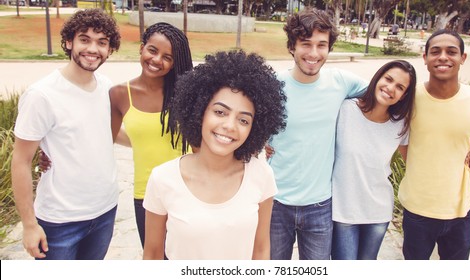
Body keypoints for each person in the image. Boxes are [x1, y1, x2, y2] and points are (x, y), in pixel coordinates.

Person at [142, 50, 287, 260]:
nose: (229, 126)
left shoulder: (261, 174)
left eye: (243, 120)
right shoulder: (163, 179)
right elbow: (153, 255)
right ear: (199, 111)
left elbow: (261, 249)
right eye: (220, 112)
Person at [11, 8, 121, 260]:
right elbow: (21, 161)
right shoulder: (42, 95)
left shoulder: (105, 86)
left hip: (105, 211)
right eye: (85, 39)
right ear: (69, 42)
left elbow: (110, 132)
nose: (93, 49)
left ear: (109, 49)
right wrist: (29, 225)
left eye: (102, 42)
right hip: (60, 221)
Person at [266, 8, 368, 260]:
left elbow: (384, 96)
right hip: (275, 202)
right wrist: (259, 145)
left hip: (320, 205)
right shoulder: (272, 85)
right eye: (305, 44)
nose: (313, 53)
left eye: (321, 45)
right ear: (292, 46)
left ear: (329, 48)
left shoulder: (342, 82)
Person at [398, 29, 470, 260]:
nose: (443, 57)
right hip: (417, 210)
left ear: (462, 58)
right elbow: (402, 144)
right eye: (435, 52)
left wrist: (466, 189)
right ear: (425, 58)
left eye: (451, 52)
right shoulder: (409, 98)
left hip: (460, 212)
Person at [108, 22, 193, 247]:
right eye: (153, 50)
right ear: (142, 48)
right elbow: (107, 136)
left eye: (168, 57)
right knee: (155, 261)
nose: (157, 60)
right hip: (145, 194)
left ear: (176, 63)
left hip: (187, 192)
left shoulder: (185, 94)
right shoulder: (119, 94)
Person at [331, 60, 417, 260]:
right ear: (378, 77)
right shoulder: (345, 109)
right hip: (344, 209)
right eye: (388, 79)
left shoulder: (400, 125)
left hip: (378, 211)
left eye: (400, 87)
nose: (390, 88)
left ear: (404, 95)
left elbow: (414, 161)